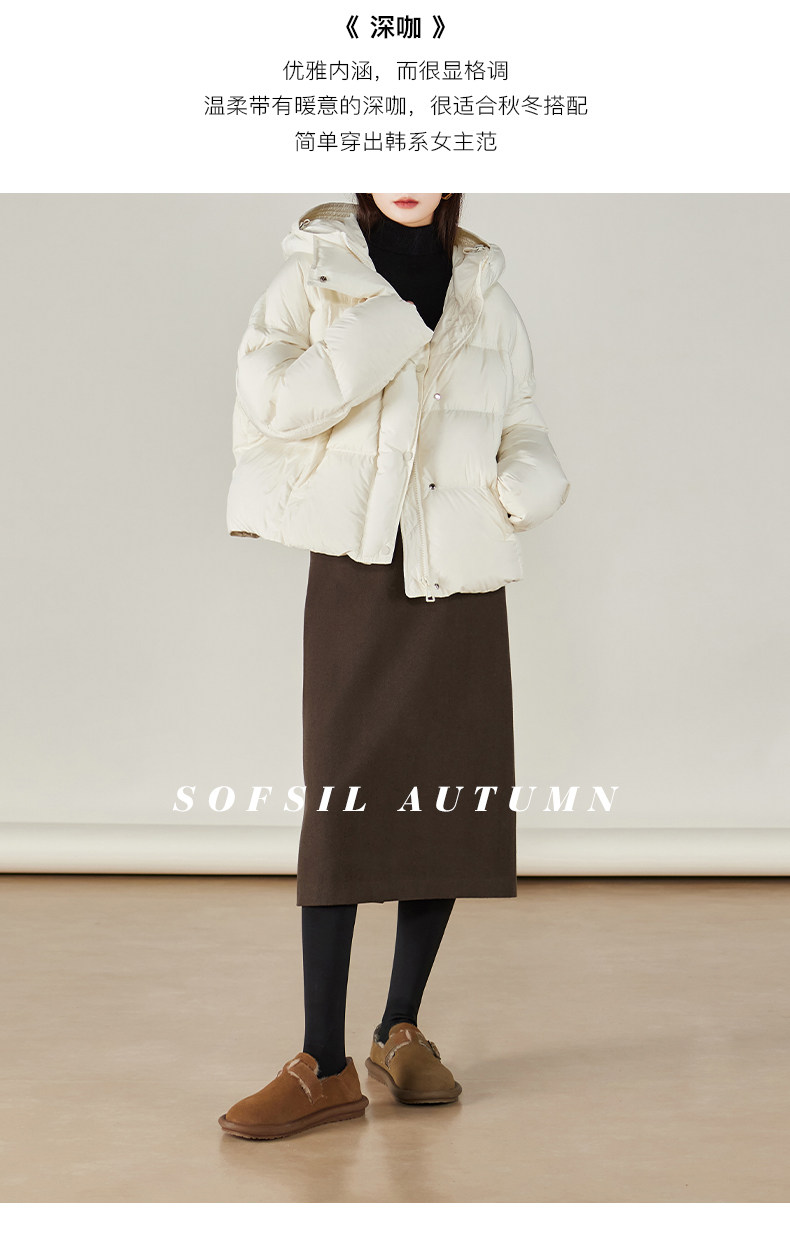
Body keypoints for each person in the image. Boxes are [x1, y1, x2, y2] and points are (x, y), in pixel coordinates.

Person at [219, 193, 570, 1140]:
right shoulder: (314, 276)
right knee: (341, 800)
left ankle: (398, 1027)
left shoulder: (485, 289)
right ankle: (322, 1061)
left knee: (447, 795)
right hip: (359, 560)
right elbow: (273, 402)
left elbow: (520, 418)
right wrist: (386, 323)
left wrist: (521, 486)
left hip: (460, 567)